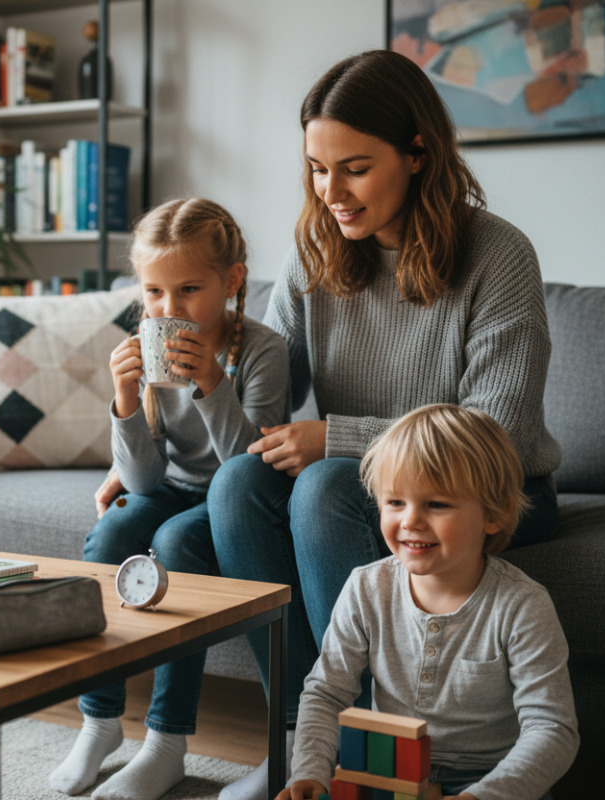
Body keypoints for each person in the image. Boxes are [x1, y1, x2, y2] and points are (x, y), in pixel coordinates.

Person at [206, 50, 563, 800]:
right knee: (239, 482)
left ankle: (376, 759)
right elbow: (263, 404)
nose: (329, 192)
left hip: (486, 494)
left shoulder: (498, 256)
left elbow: (491, 432)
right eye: (315, 168)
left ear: (417, 153)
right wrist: (190, 387)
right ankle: (303, 748)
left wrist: (337, 437)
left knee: (325, 485)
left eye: (354, 168)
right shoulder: (314, 252)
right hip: (364, 487)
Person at [50, 197, 290, 800]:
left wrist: (213, 382)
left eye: (187, 289)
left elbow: (247, 470)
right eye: (154, 293)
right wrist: (126, 402)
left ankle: (166, 742)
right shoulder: (148, 348)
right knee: (110, 534)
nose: (168, 309)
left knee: (176, 541)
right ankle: (100, 721)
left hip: (235, 503)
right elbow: (142, 482)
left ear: (231, 281)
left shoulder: (262, 352)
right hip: (173, 489)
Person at [278, 404, 578, 800]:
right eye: (395, 503)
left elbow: (552, 729)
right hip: (387, 772)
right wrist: (310, 772)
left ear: (494, 514)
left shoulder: (523, 607)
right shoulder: (366, 588)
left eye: (436, 504)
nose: (411, 522)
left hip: (490, 782)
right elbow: (326, 692)